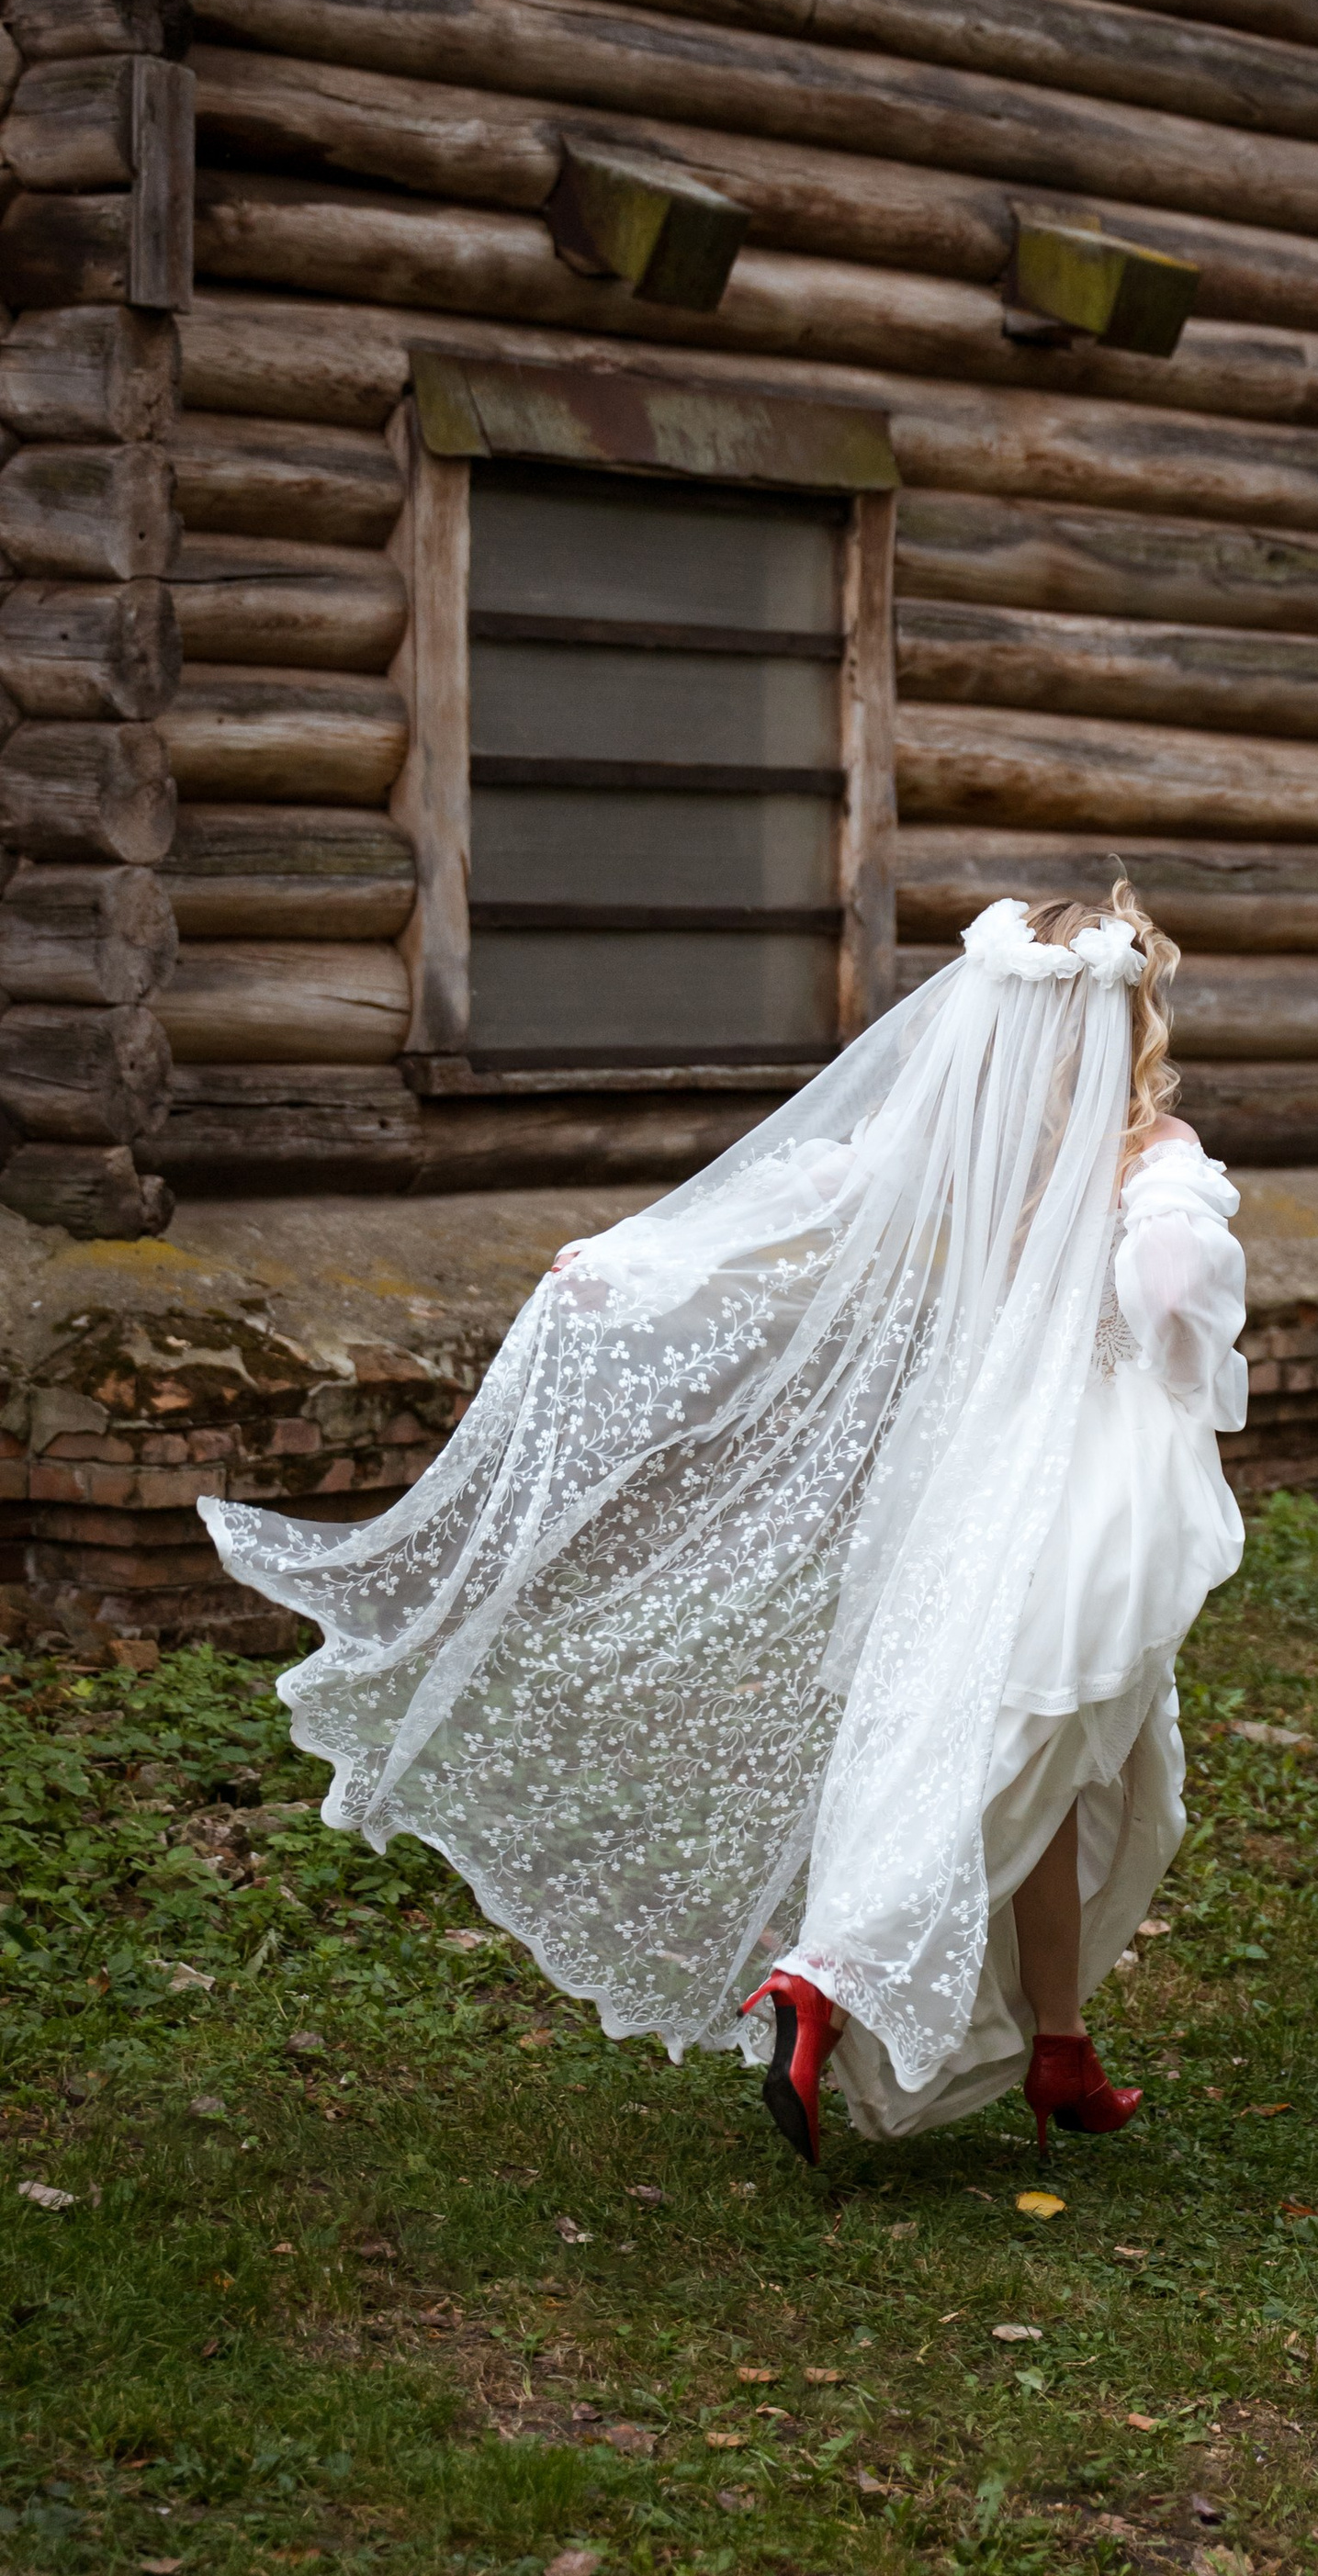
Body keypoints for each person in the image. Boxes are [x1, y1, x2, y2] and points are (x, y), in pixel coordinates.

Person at [197, 884, 1248, 2168]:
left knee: (1058, 1761)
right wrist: (1182, 1344)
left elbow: (794, 1224)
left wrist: (629, 1271)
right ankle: (829, 1977)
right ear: (1129, 1012)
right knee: (1023, 1762)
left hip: (966, 1489)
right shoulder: (1150, 1153)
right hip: (1088, 1495)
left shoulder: (959, 1147)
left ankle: (1058, 2047)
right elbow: (1179, 1282)